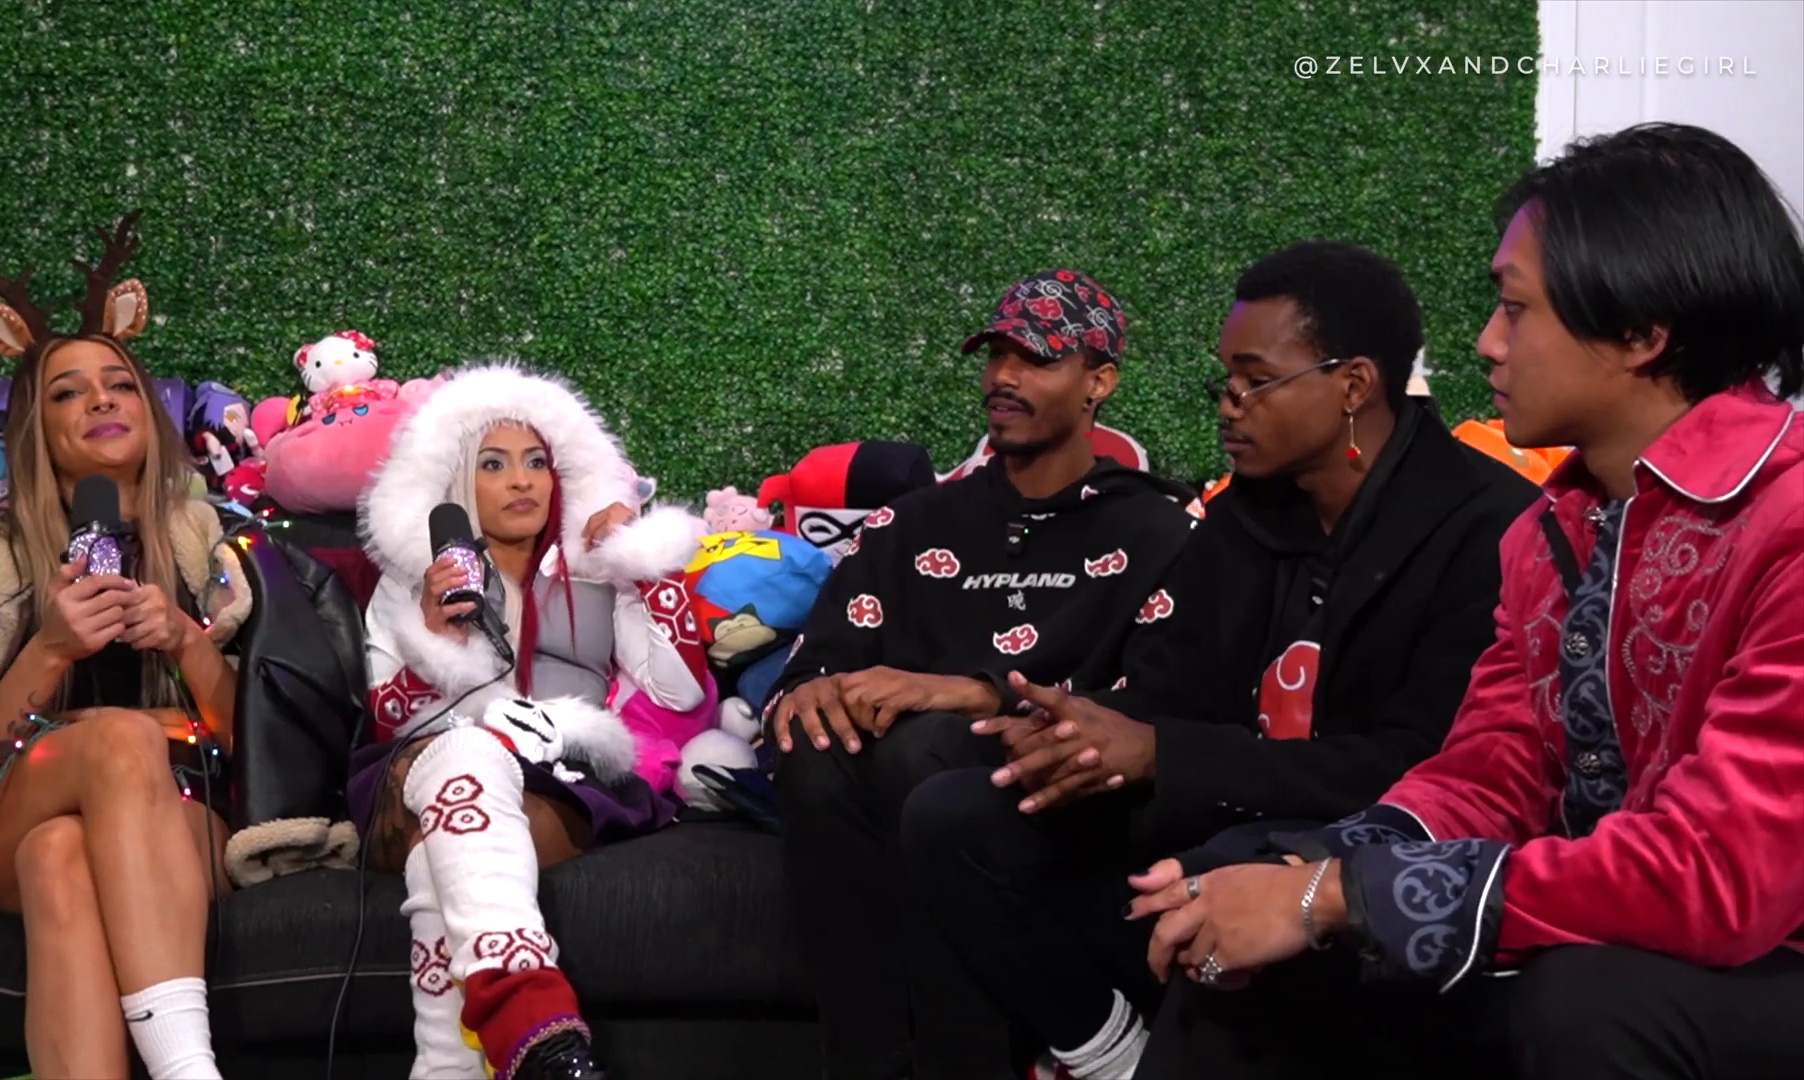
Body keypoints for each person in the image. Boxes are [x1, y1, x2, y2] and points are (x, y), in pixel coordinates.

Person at [1129, 122, 1804, 1080]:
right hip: (1605, 924)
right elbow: (1497, 767)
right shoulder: (1549, 532)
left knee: (1589, 1004)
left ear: (1642, 331)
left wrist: (1341, 896)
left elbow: (1722, 874)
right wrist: (1308, 872)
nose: (1487, 343)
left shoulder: (1786, 517)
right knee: (1247, 914)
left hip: (1753, 954)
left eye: (1515, 308)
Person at [900, 241, 1539, 1079]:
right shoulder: (1250, 513)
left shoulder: (1490, 527)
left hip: (1355, 853)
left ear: (1353, 386)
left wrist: (1162, 754)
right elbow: (1178, 690)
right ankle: (1109, 1054)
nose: (1229, 406)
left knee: (1225, 865)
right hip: (1216, 814)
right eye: (1225, 382)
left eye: (1255, 381)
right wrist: (1086, 730)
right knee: (956, 811)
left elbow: (1424, 767)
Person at [769, 269, 1199, 1080]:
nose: (1004, 377)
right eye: (997, 356)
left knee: (921, 757)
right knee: (813, 753)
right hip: (890, 779)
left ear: (1099, 382)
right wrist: (812, 689)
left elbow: (1165, 705)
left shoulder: (1160, 527)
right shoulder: (911, 523)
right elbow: (817, 660)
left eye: (1036, 359)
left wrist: (978, 692)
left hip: (1055, 792)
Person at [0, 214, 258, 1080]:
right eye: (68, 392)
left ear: (148, 412)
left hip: (183, 805)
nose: (101, 401)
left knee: (61, 857)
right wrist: (48, 650)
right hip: (12, 806)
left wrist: (187, 642)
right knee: (116, 739)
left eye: (120, 385)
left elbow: (263, 743)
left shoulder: (206, 538)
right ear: (36, 427)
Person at [347, 363, 725, 1080]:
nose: (521, 480)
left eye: (537, 462)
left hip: (556, 775)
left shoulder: (594, 575)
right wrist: (435, 637)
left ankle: (453, 1066)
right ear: (455, 480)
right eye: (494, 464)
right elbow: (391, 719)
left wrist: (642, 567)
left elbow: (678, 694)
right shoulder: (410, 581)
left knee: (446, 856)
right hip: (424, 772)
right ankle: (535, 1033)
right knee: (464, 759)